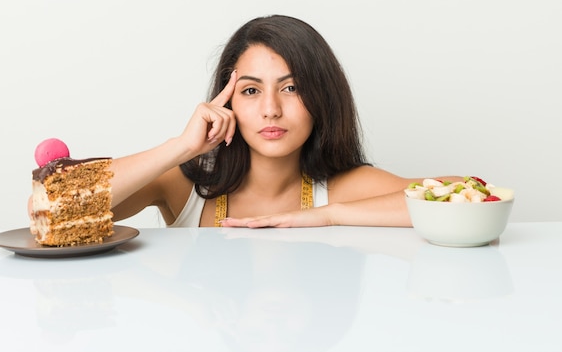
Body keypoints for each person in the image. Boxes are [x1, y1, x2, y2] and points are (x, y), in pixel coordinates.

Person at [53, 15, 460, 228]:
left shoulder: (339, 190)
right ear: (226, 99)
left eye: (291, 88)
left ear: (322, 97)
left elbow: (465, 195)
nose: (270, 110)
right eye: (250, 91)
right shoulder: (185, 184)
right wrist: (180, 147)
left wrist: (327, 216)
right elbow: (57, 212)